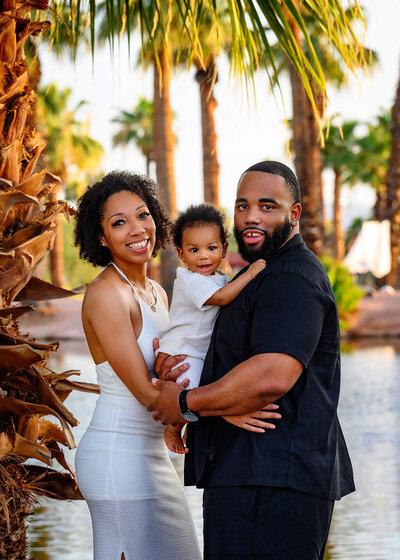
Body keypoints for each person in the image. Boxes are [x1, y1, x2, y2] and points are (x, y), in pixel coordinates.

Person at [148, 161, 356, 560]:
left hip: (273, 480)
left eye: (267, 205)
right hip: (248, 474)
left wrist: (185, 404)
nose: (251, 217)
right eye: (242, 206)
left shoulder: (292, 278)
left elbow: (270, 376)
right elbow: (217, 350)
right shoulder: (261, 274)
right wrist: (171, 366)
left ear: (294, 214)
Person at [74, 170, 202, 560]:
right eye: (118, 222)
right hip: (118, 458)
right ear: (101, 238)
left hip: (151, 455)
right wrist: (229, 405)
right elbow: (148, 394)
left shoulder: (156, 292)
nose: (136, 229)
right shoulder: (106, 294)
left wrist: (176, 423)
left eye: (142, 215)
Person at [158, 203, 268, 453]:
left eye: (211, 248)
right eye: (194, 250)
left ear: (224, 249)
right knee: (194, 392)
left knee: (206, 388)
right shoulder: (190, 280)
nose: (203, 256)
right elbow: (220, 298)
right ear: (181, 254)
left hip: (198, 350)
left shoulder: (217, 277)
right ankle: (173, 428)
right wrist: (249, 274)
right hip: (183, 351)